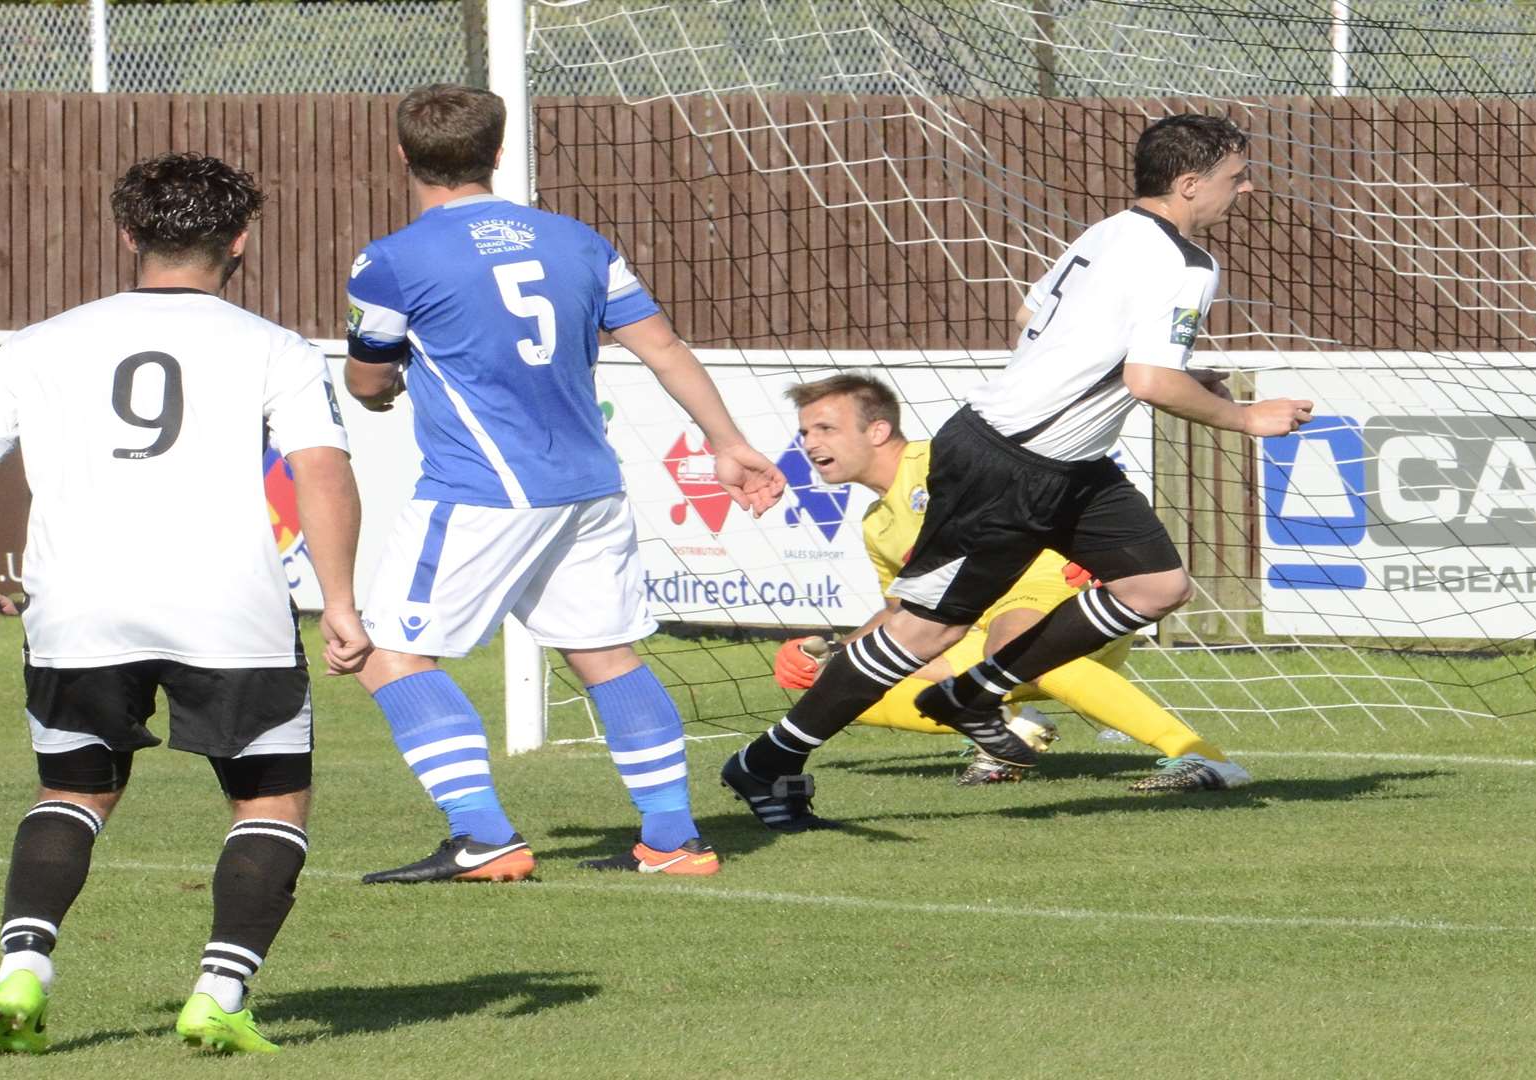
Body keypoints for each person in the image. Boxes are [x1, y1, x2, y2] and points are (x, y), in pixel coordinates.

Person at [722, 114, 1312, 831]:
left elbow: (1033, 313)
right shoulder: (1188, 264)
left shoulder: (1110, 231)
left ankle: (978, 690)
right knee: (922, 634)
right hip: (1009, 462)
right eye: (1235, 176)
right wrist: (1248, 418)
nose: (1245, 188)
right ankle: (768, 760)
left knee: (1156, 585)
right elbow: (1152, 381)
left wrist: (1153, 379)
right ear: (1190, 184)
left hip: (1070, 461)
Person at [0, 152, 368, 1055]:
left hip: (78, 609)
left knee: (73, 789)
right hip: (229, 611)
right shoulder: (273, 346)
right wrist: (342, 603)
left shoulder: (40, 341)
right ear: (240, 240)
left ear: (128, 236)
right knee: (270, 804)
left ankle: (24, 969)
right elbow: (321, 471)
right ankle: (219, 991)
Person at [343, 84, 784, 882]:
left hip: (480, 490)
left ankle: (482, 833)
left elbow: (369, 381)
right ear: (499, 152)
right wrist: (728, 443)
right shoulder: (579, 240)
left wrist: (390, 382)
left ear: (403, 154)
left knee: (390, 656)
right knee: (607, 657)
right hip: (589, 486)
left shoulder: (392, 260)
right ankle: (673, 840)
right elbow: (665, 348)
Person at [773, 373, 1249, 789]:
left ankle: (1202, 757)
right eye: (805, 432)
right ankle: (1010, 726)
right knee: (840, 681)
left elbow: (1068, 477)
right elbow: (902, 615)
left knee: (1012, 639)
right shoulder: (878, 524)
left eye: (825, 428)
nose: (811, 443)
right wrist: (834, 650)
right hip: (975, 635)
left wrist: (1096, 548)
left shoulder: (943, 459)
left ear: (877, 430)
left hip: (1056, 593)